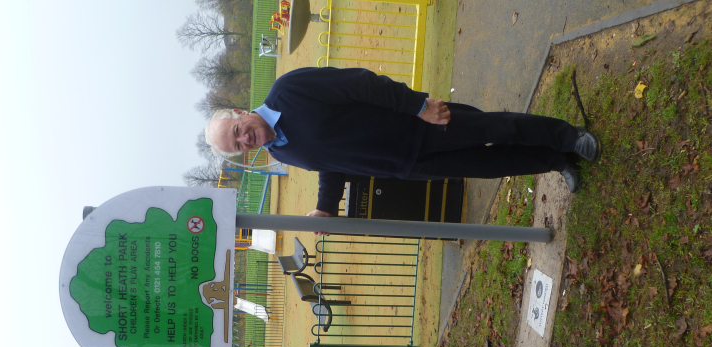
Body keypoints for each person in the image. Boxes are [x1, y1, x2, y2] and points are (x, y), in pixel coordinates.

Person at [204, 67, 600, 223]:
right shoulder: (280, 152)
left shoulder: (288, 91)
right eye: (239, 145)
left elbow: (360, 83)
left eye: (238, 129)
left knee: (499, 127)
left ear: (240, 112)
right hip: (409, 165)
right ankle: (557, 160)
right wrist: (326, 207)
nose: (245, 139)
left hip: (417, 124)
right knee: (492, 164)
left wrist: (418, 106)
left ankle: (570, 137)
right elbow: (333, 163)